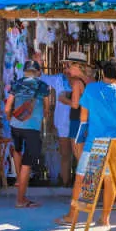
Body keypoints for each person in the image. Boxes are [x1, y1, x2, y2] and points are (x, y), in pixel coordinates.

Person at [57, 59, 116, 228]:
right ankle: (105, 218)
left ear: (103, 73)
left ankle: (72, 215)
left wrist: (82, 137)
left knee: (81, 178)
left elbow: (83, 117)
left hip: (93, 142)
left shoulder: (91, 89)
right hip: (114, 142)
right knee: (110, 180)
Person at [5, 60, 51, 208]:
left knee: (17, 150)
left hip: (15, 125)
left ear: (24, 71)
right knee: (28, 163)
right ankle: (21, 199)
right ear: (38, 72)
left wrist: (11, 119)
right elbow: (46, 109)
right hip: (32, 127)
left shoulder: (16, 84)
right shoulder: (42, 86)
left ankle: (19, 178)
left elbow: (7, 108)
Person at [40, 59, 74, 187]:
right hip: (63, 122)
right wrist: (39, 63)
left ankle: (79, 184)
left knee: (80, 154)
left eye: (68, 66)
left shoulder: (82, 81)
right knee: (65, 154)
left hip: (79, 121)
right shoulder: (59, 79)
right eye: (64, 66)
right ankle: (66, 183)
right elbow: (42, 77)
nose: (66, 69)